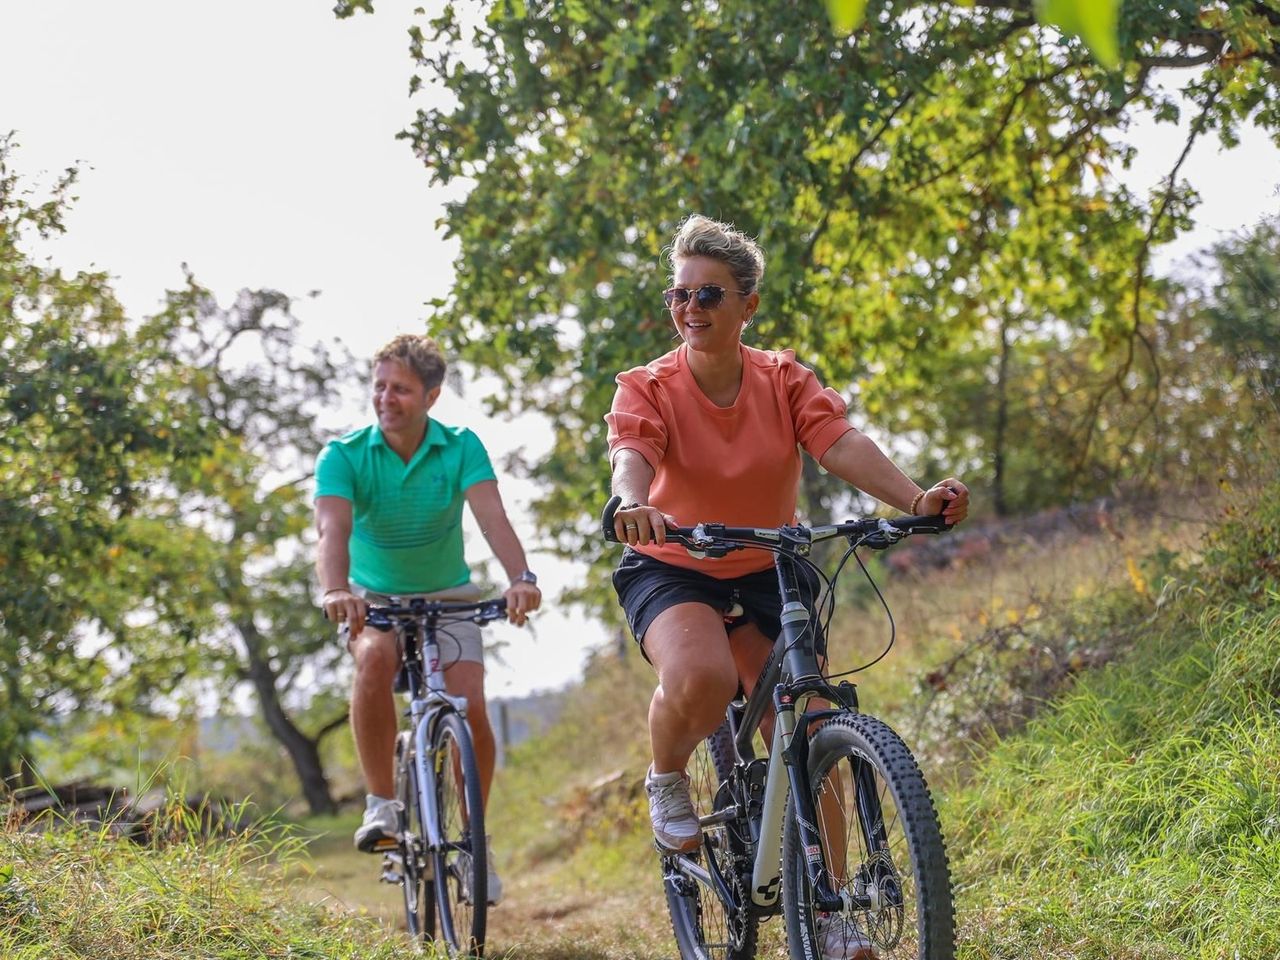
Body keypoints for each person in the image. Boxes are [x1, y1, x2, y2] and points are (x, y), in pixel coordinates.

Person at [605, 215, 969, 960]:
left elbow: (839, 441)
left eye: (710, 294)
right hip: (674, 561)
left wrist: (912, 500)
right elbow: (630, 455)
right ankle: (668, 775)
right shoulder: (650, 386)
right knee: (702, 677)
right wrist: (632, 507)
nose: (692, 308)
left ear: (748, 305)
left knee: (804, 729)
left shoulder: (782, 379)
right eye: (680, 294)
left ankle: (829, 912)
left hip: (770, 563)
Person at [314, 333, 541, 905]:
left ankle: (474, 842)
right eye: (380, 386)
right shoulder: (343, 456)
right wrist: (337, 589)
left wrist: (521, 578)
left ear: (432, 397)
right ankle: (382, 804)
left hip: (449, 597)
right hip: (374, 598)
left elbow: (492, 518)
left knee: (470, 704)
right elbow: (331, 531)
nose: (386, 398)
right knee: (372, 660)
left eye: (402, 390)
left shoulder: (461, 446)